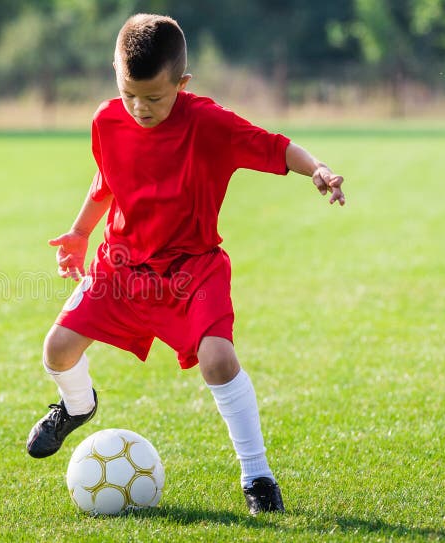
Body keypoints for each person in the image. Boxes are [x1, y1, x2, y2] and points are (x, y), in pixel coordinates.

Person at [25, 13, 345, 515]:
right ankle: (77, 406)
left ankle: (257, 476)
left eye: (154, 97)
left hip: (193, 271)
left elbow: (275, 146)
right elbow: (106, 180)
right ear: (116, 74)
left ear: (182, 83)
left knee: (219, 361)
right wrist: (81, 231)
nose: (139, 107)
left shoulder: (208, 121)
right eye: (129, 92)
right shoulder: (106, 120)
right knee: (57, 351)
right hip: (122, 269)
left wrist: (317, 169)